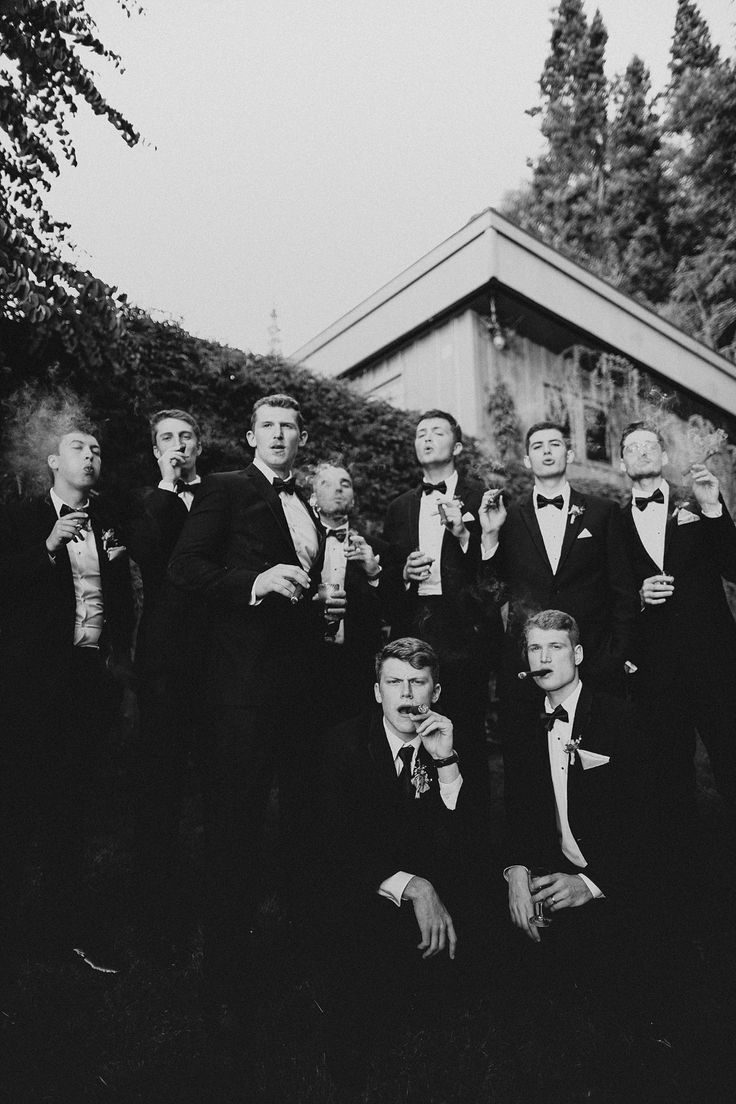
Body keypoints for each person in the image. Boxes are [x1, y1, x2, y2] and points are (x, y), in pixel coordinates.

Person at [168, 393, 338, 1006]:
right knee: (234, 828)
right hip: (241, 692)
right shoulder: (225, 488)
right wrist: (255, 582)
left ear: (302, 438)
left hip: (302, 694)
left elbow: (305, 586)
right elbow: (185, 568)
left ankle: (299, 957)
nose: (277, 435)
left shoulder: (311, 511)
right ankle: (224, 976)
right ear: (250, 437)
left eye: (289, 426)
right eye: (267, 426)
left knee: (302, 824)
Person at [312, 637, 489, 1089]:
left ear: (436, 692)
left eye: (418, 682)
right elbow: (335, 845)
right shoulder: (343, 743)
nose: (407, 695)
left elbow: (473, 842)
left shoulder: (455, 740)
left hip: (443, 891)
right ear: (377, 692)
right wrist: (413, 885)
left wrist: (446, 762)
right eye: (394, 682)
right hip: (368, 888)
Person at [0, 422, 135, 971]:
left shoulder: (108, 523)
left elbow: (121, 601)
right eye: (78, 448)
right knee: (16, 811)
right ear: (54, 463)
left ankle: (69, 926)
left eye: (96, 449)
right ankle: (10, 934)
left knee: (73, 811)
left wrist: (117, 669)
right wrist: (49, 548)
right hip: (30, 689)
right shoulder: (21, 517)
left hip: (89, 684)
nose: (90, 455)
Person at [619, 420, 736, 811]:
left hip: (714, 659)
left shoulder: (696, 501)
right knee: (670, 776)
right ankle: (683, 862)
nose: (642, 451)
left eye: (649, 445)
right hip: (657, 669)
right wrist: (639, 597)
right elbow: (613, 591)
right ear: (622, 463)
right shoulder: (613, 523)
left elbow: (732, 567)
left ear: (665, 456)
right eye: (632, 447)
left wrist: (713, 508)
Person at [125, 409, 208, 951]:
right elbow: (157, 566)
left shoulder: (224, 495)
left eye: (185, 437)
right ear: (156, 451)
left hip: (218, 659)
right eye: (166, 440)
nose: (177, 446)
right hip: (165, 663)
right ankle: (158, 905)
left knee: (216, 786)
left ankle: (212, 897)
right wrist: (168, 488)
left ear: (199, 445)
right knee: (161, 784)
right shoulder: (143, 502)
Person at [479, 421, 638, 693]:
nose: (547, 452)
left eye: (555, 444)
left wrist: (617, 654)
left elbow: (624, 590)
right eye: (538, 447)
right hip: (527, 663)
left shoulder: (603, 512)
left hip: (593, 657)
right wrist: (490, 535)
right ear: (528, 460)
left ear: (570, 454)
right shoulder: (507, 516)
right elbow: (492, 593)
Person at [382, 409, 501, 756]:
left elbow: (495, 579)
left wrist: (463, 535)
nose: (428, 438)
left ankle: (467, 809)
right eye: (421, 434)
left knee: (465, 738)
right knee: (410, 737)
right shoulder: (398, 507)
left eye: (437, 431)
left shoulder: (483, 499)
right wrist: (403, 575)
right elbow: (387, 582)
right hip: (413, 633)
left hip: (465, 635)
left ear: (459, 446)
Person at [310, 458, 391, 725]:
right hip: (305, 663)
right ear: (313, 498)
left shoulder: (376, 548)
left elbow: (391, 610)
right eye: (327, 483)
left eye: (345, 484)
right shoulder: (296, 545)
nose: (338, 489)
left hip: (356, 668)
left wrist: (372, 573)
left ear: (353, 500)